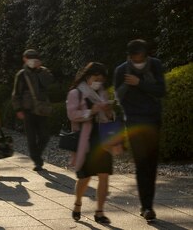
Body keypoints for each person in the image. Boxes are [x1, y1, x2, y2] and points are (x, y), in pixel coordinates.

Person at [114, 39, 166, 222]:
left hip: (152, 120)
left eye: (141, 56)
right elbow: (117, 100)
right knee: (141, 163)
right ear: (129, 56)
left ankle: (148, 203)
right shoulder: (121, 70)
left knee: (151, 164)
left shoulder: (155, 65)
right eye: (135, 57)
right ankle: (146, 207)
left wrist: (139, 83)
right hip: (134, 122)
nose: (138, 60)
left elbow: (161, 91)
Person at [67, 62, 114, 224]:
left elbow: (109, 117)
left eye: (101, 80)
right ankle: (78, 203)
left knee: (104, 175)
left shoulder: (103, 93)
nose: (98, 82)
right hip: (85, 140)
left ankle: (99, 211)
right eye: (96, 78)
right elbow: (72, 114)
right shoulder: (76, 93)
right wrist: (90, 111)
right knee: (85, 178)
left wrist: (108, 111)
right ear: (88, 77)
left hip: (103, 138)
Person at [11, 48, 54, 170]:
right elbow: (16, 93)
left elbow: (49, 82)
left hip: (41, 108)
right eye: (29, 59)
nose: (32, 62)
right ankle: (37, 161)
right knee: (31, 137)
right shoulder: (21, 74)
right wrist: (18, 109)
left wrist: (40, 70)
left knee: (45, 135)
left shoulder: (43, 71)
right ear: (25, 59)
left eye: (34, 59)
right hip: (28, 109)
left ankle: (37, 154)